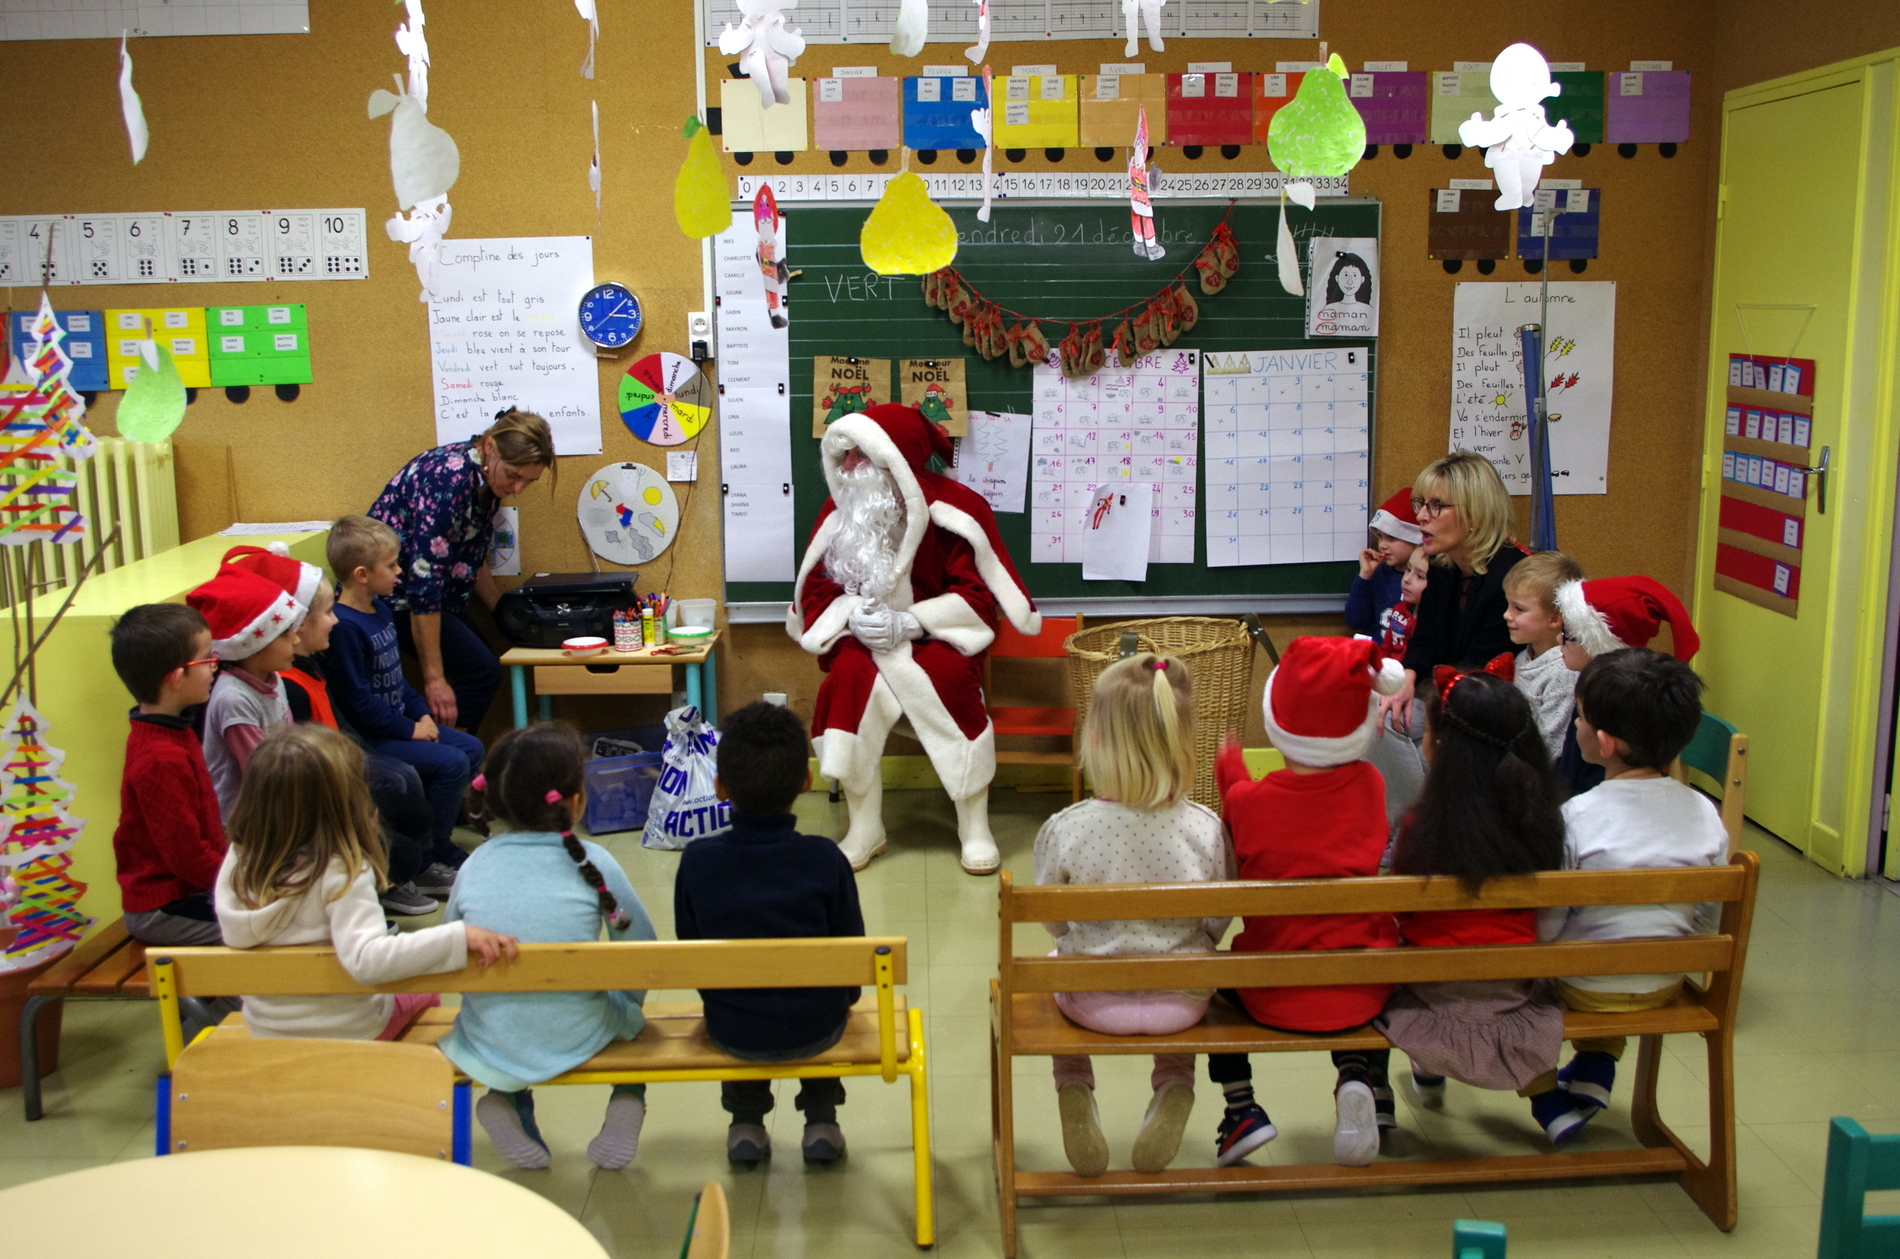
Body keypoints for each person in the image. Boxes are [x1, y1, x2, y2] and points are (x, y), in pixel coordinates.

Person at [787, 403, 1042, 875]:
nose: (847, 466)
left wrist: (911, 622)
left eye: (859, 455)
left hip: (936, 637)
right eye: (844, 455)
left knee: (951, 678)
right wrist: (852, 617)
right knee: (847, 677)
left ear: (894, 459)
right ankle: (866, 827)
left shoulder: (956, 510)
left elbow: (976, 597)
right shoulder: (840, 511)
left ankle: (974, 825)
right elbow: (819, 590)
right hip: (862, 639)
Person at [1206, 637, 1406, 1169]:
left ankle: (1242, 1109)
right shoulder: (1371, 785)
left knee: (1212, 989)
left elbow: (1240, 807)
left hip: (1271, 991)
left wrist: (1229, 767)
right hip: (1362, 989)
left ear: (1277, 721)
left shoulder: (1251, 800)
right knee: (1350, 955)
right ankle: (1358, 1074)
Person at [1032, 655, 1231, 1178]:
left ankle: (1073, 1082)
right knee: (1192, 956)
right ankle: (1175, 1082)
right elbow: (1217, 921)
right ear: (1182, 742)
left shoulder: (1067, 827)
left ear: (1095, 739)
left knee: (1054, 959)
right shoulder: (1206, 828)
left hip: (1093, 1003)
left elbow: (1054, 921)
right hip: (1180, 1006)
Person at [1524, 649, 1729, 1142]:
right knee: (1617, 942)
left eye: (1580, 717)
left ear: (1605, 742)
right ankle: (1596, 1065)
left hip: (1585, 987)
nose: (1575, 725)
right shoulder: (1706, 813)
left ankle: (1547, 1099)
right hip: (1663, 982)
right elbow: (1708, 921)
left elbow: (1547, 928)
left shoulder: (1576, 817)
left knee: (1507, 985)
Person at [440, 723, 656, 1171]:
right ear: (575, 802)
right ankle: (627, 1096)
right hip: (581, 1028)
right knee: (633, 1020)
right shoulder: (595, 862)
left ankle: (505, 1098)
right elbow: (640, 948)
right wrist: (627, 1005)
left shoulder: (475, 864)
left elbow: (449, 942)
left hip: (494, 1032)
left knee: (500, 1016)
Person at [215, 725, 518, 1040]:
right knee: (425, 992)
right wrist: (455, 938)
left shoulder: (240, 860)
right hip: (352, 1030)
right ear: (346, 802)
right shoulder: (341, 870)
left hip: (267, 1030)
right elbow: (368, 960)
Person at [674, 701, 865, 1165]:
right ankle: (821, 1120)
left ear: (720, 787)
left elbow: (691, 947)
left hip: (733, 1028)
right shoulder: (826, 859)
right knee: (821, 1000)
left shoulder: (697, 861)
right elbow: (852, 954)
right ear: (806, 780)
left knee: (742, 1002)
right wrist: (842, 997)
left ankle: (746, 1123)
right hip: (818, 1027)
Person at [1374, 669, 1567, 1107]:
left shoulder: (1420, 828)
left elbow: (1402, 912)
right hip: (1516, 992)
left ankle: (1379, 1090)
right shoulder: (1544, 822)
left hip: (1428, 994)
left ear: (1439, 746)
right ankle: (1548, 1104)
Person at [224, 540, 437, 916]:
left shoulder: (289, 675)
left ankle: (393, 877)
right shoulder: (267, 689)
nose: (335, 620)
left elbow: (338, 731)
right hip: (305, 802)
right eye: (326, 612)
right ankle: (368, 892)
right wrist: (352, 805)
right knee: (400, 827)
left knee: (409, 802)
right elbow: (279, 778)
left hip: (329, 778)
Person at [368, 408, 556, 732]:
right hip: (394, 597)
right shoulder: (449, 480)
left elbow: (470, 552)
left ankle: (451, 750)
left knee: (485, 668)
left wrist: (502, 613)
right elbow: (423, 587)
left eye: (530, 481)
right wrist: (435, 678)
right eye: (513, 475)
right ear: (490, 447)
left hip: (438, 597)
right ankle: (446, 754)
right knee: (480, 673)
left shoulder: (485, 477)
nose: (519, 488)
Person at [1369, 451, 1529, 829]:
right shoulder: (1443, 566)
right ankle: (1403, 825)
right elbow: (1426, 641)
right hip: (1447, 692)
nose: (1421, 517)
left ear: (1475, 513)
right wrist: (1407, 678)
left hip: (1486, 707)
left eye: (1436, 506)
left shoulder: (1511, 575)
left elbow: (1480, 671)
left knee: (1394, 723)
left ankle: (1423, 824)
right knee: (1376, 708)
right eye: (1420, 504)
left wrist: (1424, 701)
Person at [327, 514, 485, 895]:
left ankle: (438, 833)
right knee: (452, 763)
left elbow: (397, 680)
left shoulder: (381, 611)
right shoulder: (345, 627)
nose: (399, 572)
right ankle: (430, 856)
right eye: (391, 565)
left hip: (400, 722)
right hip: (372, 738)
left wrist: (422, 714)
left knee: (472, 749)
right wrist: (411, 729)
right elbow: (358, 703)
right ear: (362, 575)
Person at [109, 604, 228, 946]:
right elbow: (187, 856)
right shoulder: (161, 757)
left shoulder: (171, 730)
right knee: (269, 928)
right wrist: (242, 884)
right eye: (207, 659)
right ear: (177, 677)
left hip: (191, 889)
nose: (214, 666)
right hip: (162, 908)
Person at [1550, 575, 1701, 797]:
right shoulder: (1590, 689)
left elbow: (1584, 786)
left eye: (1567, 634)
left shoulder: (1611, 708)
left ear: (1598, 644)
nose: (1558, 639)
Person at [187, 566, 307, 819]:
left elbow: (289, 743)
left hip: (278, 806)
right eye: (284, 633)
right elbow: (264, 774)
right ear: (251, 645)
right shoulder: (233, 699)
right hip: (245, 823)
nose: (296, 640)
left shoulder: (273, 677)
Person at [1502, 551, 1585, 759]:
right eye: (1508, 604)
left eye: (1519, 608)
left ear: (1555, 619)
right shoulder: (1523, 657)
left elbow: (1550, 750)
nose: (1507, 614)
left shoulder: (1564, 672)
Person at [1344, 489, 1422, 638]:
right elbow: (1355, 621)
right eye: (1380, 537)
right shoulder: (1378, 573)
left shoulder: (1425, 578)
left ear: (1414, 538)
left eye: (1391, 537)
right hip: (1376, 649)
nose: (1382, 545)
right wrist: (1365, 577)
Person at [1377, 548, 1431, 662]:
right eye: (1408, 569)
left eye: (1420, 576)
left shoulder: (1433, 622)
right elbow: (1386, 649)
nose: (1406, 579)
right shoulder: (1399, 609)